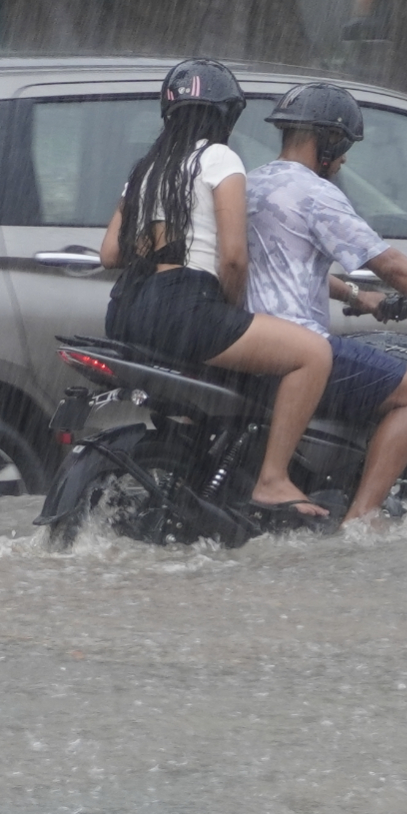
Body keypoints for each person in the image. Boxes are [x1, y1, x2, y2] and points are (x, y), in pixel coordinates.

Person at [245, 82, 407, 524]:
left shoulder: (253, 184)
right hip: (298, 346)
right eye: (344, 145)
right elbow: (390, 264)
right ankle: (363, 519)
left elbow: (284, 263)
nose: (345, 158)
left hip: (250, 339)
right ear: (327, 140)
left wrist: (354, 295)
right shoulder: (316, 193)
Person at [99, 59, 333, 520]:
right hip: (187, 305)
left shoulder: (146, 168)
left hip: (130, 308)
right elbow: (232, 257)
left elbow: (110, 253)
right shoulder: (219, 159)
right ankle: (272, 480)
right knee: (313, 355)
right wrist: (230, 306)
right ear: (226, 114)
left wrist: (162, 244)